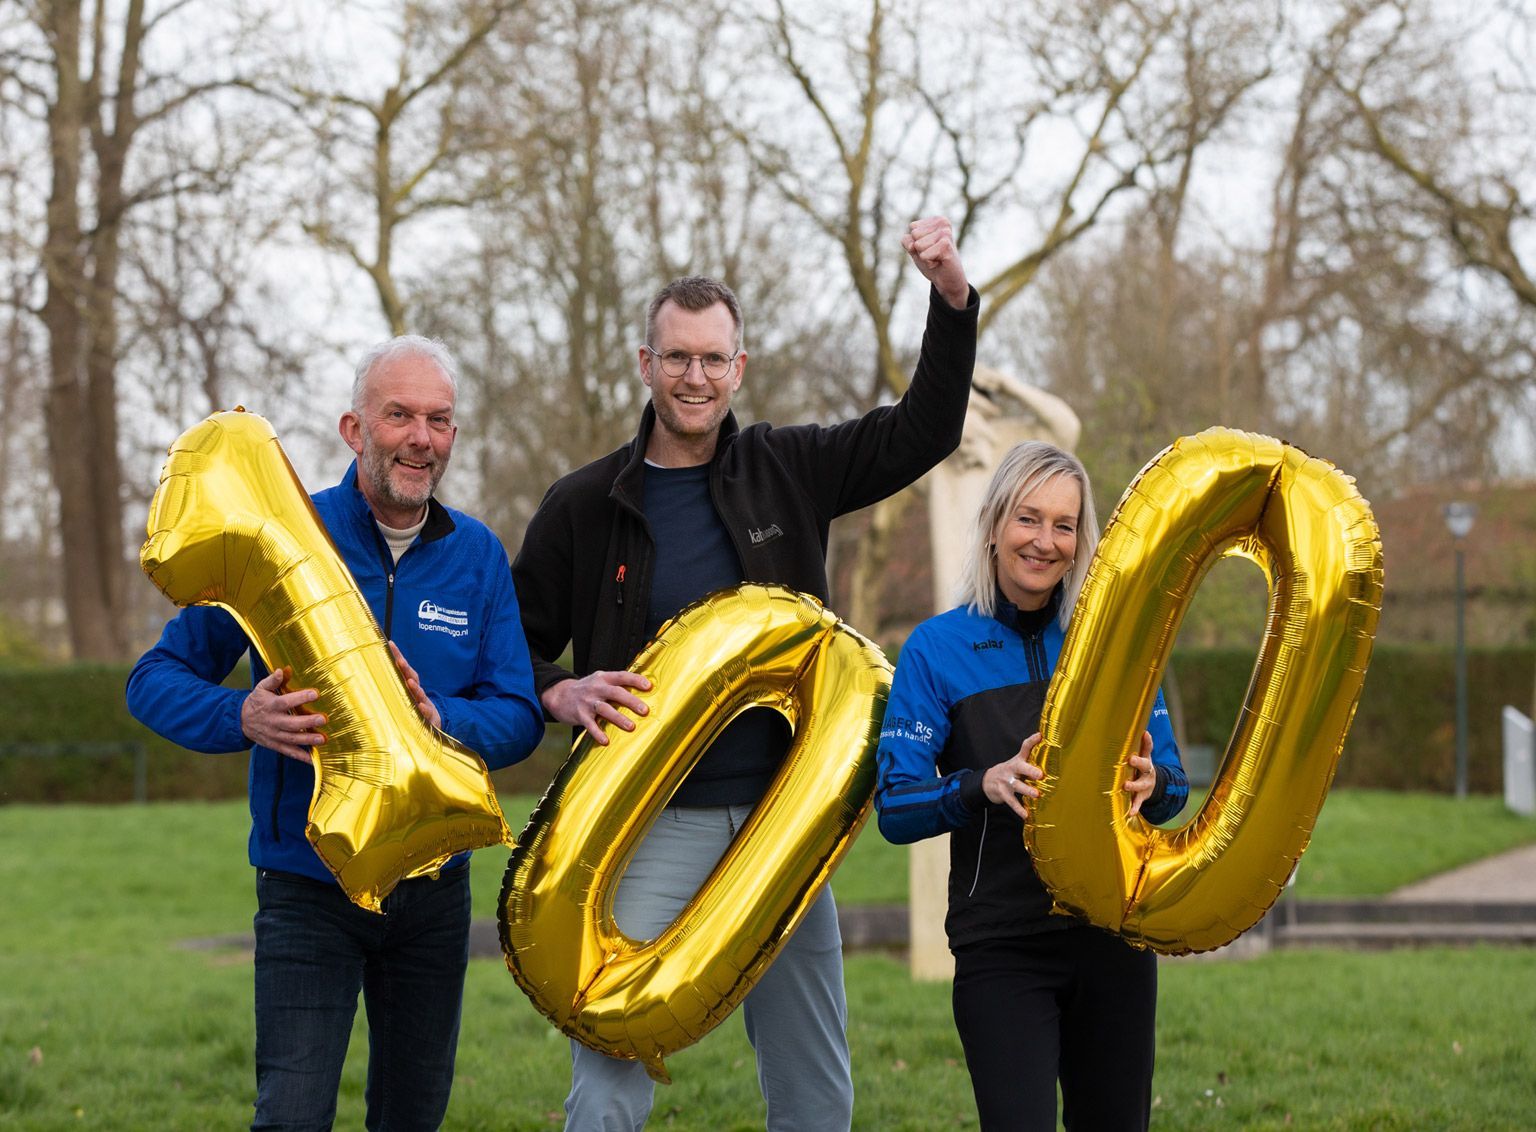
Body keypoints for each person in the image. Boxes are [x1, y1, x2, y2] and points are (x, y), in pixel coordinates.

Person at [510, 216, 977, 1130]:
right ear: (645, 364)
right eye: (677, 358)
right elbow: (512, 650)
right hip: (647, 830)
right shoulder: (582, 505)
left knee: (815, 1088)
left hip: (781, 826)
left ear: (741, 367)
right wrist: (555, 690)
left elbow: (926, 429)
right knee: (607, 1060)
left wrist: (951, 296)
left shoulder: (790, 469)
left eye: (713, 360)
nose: (695, 377)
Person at [126, 335, 545, 1131]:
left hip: (432, 891)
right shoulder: (278, 535)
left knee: (410, 1119)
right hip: (306, 890)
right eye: (399, 416)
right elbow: (151, 681)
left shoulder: (480, 556)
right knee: (291, 1117)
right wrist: (239, 716)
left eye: (439, 420)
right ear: (355, 430)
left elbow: (521, 716)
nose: (421, 437)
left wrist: (441, 718)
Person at [873, 440, 1189, 1131]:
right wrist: (979, 785)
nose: (1045, 541)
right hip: (1001, 949)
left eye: (1064, 525)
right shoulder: (934, 649)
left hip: (1113, 940)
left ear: (1082, 542)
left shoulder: (1117, 642)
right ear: (992, 525)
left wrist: (1151, 781)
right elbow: (894, 807)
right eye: (1028, 518)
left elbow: (1174, 786)